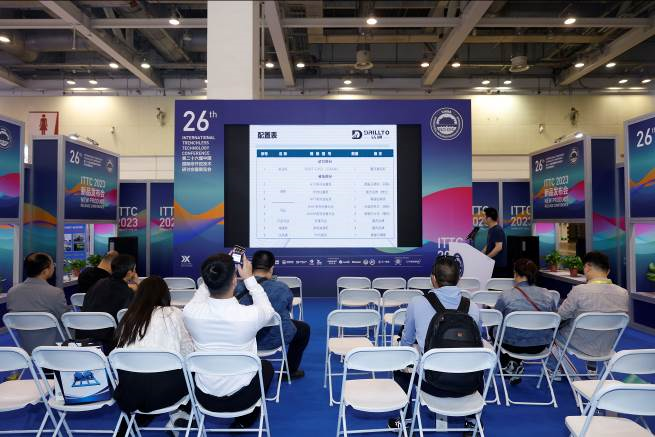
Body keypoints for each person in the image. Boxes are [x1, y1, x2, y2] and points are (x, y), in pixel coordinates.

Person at [389, 255, 481, 434]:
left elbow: (407, 343)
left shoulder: (417, 302)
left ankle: (406, 420)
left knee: (401, 361)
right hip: (468, 386)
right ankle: (472, 422)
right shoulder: (473, 307)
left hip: (432, 384)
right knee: (478, 359)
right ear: (458, 279)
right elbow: (478, 344)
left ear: (433, 278)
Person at [183, 253, 276, 430]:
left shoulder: (189, 313)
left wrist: (213, 272)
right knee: (267, 368)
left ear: (205, 281)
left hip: (204, 397)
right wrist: (249, 278)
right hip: (242, 399)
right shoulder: (249, 315)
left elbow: (199, 296)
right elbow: (267, 309)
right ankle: (245, 420)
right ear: (235, 281)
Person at [113, 276, 194, 435]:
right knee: (195, 369)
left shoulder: (128, 317)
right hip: (166, 394)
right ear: (165, 294)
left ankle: (171, 416)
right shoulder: (174, 313)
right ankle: (181, 414)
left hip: (129, 393)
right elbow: (188, 353)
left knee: (151, 379)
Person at [236, 250, 310, 379]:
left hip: (246, 339)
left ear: (251, 267)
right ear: (271, 268)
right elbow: (288, 310)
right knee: (304, 329)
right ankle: (290, 372)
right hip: (276, 339)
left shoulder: (237, 288)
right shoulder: (282, 288)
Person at [556, 251, 629, 374]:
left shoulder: (579, 291)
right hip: (606, 346)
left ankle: (556, 370)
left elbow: (560, 316)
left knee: (550, 333)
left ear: (587, 267)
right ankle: (592, 369)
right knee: (597, 325)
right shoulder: (623, 293)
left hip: (578, 342)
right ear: (608, 271)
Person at [493, 258, 558, 385]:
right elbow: (555, 318)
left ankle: (508, 363)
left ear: (515, 274)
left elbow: (496, 318)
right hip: (540, 345)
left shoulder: (506, 295)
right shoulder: (548, 295)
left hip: (511, 345)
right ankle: (513, 364)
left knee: (494, 329)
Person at [7, 253, 70, 354]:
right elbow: (66, 320)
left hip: (26, 347)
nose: (54, 267)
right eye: (52, 265)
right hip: (55, 346)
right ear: (45, 271)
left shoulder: (12, 292)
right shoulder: (55, 293)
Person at [80, 254, 138, 348]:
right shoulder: (127, 293)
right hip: (108, 342)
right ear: (129, 273)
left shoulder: (97, 284)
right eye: (134, 270)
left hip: (83, 336)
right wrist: (137, 283)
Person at [481, 207, 507, 278]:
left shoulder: (497, 230)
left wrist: (487, 258)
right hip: (492, 265)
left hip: (498, 267)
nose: (482, 218)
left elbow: (498, 247)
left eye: (484, 216)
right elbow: (489, 244)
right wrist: (480, 254)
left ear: (489, 218)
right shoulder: (491, 229)